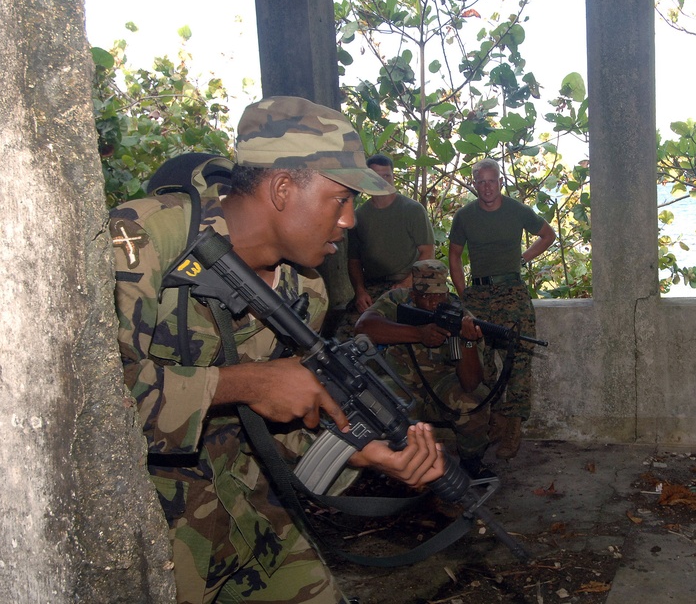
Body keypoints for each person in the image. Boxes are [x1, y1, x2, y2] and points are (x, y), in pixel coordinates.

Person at [110, 96, 445, 604]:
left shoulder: (303, 290)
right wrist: (243, 383)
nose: (351, 220)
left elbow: (270, 429)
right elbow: (84, 411)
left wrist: (360, 453)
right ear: (284, 188)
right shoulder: (142, 241)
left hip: (246, 515)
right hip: (143, 533)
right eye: (342, 198)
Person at [448, 158, 556, 460]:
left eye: (491, 180)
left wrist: (522, 258)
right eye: (480, 181)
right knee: (482, 362)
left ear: (500, 182)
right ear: (474, 184)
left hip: (512, 291)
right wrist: (463, 297)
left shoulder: (517, 210)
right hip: (478, 294)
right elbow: (454, 255)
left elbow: (548, 235)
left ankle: (513, 428)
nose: (486, 187)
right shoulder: (465, 216)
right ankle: (493, 420)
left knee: (519, 358)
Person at [355, 259, 496, 478]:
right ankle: (383, 465)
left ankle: (471, 462)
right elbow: (364, 326)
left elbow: (470, 383)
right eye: (426, 296)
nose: (433, 303)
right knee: (372, 399)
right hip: (400, 382)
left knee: (475, 401)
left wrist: (467, 342)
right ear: (413, 295)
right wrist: (419, 334)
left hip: (442, 387)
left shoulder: (461, 316)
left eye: (439, 296)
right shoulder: (397, 300)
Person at [348, 154, 435, 313]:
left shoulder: (413, 210)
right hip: (373, 286)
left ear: (393, 177)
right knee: (353, 329)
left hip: (410, 282)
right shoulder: (358, 217)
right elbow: (354, 261)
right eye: (376, 176)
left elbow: (427, 252)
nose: (382, 181)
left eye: (386, 175)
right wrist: (360, 291)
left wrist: (406, 283)